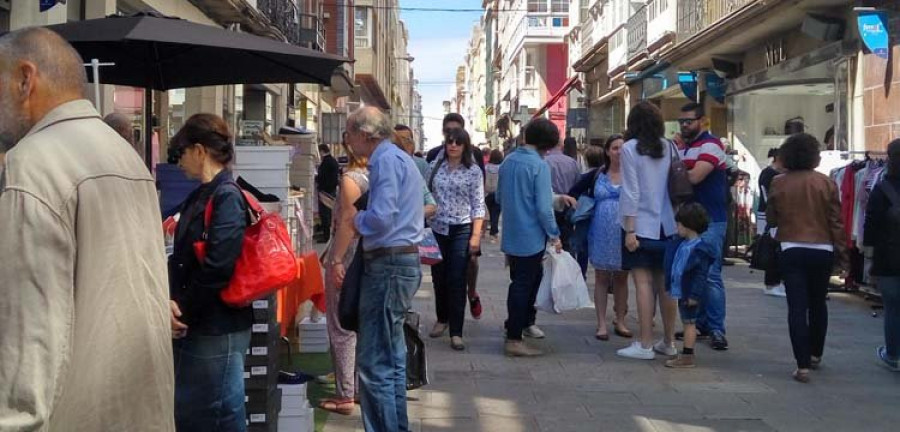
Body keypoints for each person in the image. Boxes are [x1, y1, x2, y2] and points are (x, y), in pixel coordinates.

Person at [0, 28, 174, 430]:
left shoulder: (33, 165)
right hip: (141, 414)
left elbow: (30, 339)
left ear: (26, 79)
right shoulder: (125, 157)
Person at [166, 114, 254, 430]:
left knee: (219, 413)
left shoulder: (225, 194)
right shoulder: (204, 193)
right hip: (203, 321)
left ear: (200, 151)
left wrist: (183, 308)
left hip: (217, 324)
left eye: (181, 152)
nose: (178, 163)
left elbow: (219, 266)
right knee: (200, 411)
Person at [348, 107, 424, 431]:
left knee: (374, 362)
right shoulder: (398, 157)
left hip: (388, 263)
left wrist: (355, 219)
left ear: (364, 134)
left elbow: (381, 215)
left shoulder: (384, 160)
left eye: (349, 133)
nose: (348, 141)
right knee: (391, 359)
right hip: (399, 261)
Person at [766, 133, 847, 383]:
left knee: (797, 307)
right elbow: (836, 222)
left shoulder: (778, 182)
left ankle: (802, 366)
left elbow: (771, 218)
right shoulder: (826, 182)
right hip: (822, 248)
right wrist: (843, 256)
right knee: (818, 303)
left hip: (791, 247)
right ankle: (815, 354)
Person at [496, 118, 563, 357]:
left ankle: (517, 326)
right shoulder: (539, 166)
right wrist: (554, 234)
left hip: (512, 232)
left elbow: (498, 198)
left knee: (522, 281)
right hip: (531, 235)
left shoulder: (508, 161)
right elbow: (544, 208)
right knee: (524, 285)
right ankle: (514, 337)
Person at [617, 101, 679, 360]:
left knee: (642, 283)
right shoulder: (670, 146)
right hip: (668, 225)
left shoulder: (629, 149)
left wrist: (630, 230)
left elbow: (631, 191)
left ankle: (644, 343)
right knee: (666, 285)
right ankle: (668, 342)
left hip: (640, 225)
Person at [319, 137, 369, 415]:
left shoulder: (351, 178)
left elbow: (348, 222)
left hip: (348, 254)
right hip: (367, 256)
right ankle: (359, 388)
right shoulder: (377, 174)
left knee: (341, 326)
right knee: (359, 324)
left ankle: (345, 394)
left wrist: (335, 259)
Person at [425, 128, 486, 350]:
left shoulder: (473, 171)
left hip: (461, 228)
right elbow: (426, 194)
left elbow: (479, 205)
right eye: (449, 142)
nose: (453, 146)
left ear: (464, 146)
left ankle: (456, 331)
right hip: (437, 228)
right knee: (438, 277)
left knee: (457, 278)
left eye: (458, 143)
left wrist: (476, 236)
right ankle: (442, 319)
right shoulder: (434, 167)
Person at [677, 102, 730, 351]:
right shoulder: (686, 148)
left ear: (702, 121)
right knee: (693, 274)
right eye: (682, 121)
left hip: (711, 219)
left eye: (689, 121)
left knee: (710, 275)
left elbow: (694, 177)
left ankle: (717, 329)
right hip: (691, 221)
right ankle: (700, 324)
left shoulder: (711, 144)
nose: (685, 125)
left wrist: (675, 174)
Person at [587, 135, 632, 340]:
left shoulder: (633, 175)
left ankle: (620, 320)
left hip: (624, 230)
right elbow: (577, 191)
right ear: (607, 151)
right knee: (601, 277)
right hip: (601, 230)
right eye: (614, 148)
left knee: (622, 277)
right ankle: (601, 323)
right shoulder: (598, 174)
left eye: (622, 148)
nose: (619, 152)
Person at [863, 138, 900, 371]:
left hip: (888, 258)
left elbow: (871, 224)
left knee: (893, 309)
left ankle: (894, 355)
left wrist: (869, 256)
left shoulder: (882, 188)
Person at [664, 203, 716, 368]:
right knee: (687, 321)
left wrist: (694, 295)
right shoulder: (683, 244)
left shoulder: (699, 250)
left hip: (689, 292)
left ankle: (687, 355)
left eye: (679, 224)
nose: (676, 227)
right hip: (682, 289)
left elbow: (700, 276)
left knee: (689, 322)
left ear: (688, 225)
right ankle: (687, 354)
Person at [568, 146, 604, 277]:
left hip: (586, 213)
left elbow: (574, 191)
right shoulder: (605, 174)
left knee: (582, 245)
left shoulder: (586, 176)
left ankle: (581, 273)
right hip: (602, 214)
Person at [757, 147, 786, 297]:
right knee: (772, 249)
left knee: (776, 249)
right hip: (770, 217)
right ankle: (771, 283)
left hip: (771, 216)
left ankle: (776, 282)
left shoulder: (772, 174)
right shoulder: (770, 175)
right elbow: (768, 197)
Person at [546, 136, 581, 252]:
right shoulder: (572, 163)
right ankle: (567, 265)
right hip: (568, 204)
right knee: (567, 239)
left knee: (549, 240)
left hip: (549, 203)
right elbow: (578, 183)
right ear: (561, 145)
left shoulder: (544, 161)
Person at [317, 143, 340, 242]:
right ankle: (328, 235)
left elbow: (322, 176)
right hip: (331, 190)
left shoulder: (326, 162)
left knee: (325, 213)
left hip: (325, 191)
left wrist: (317, 180)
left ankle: (326, 236)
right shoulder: (333, 161)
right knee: (329, 213)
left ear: (322, 151)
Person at [485, 149, 504, 243]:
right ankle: (494, 233)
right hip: (498, 192)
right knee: (496, 213)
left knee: (490, 212)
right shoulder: (502, 168)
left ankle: (491, 228)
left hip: (487, 193)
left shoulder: (486, 167)